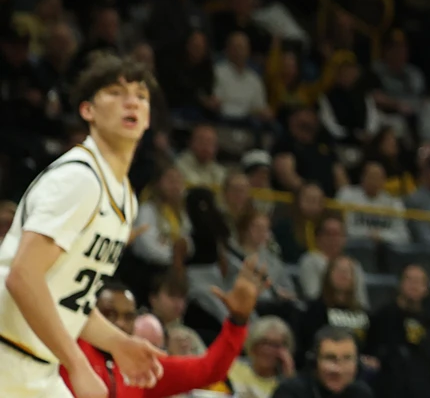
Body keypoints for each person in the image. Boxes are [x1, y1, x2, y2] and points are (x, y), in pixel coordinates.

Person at [0, 53, 168, 398]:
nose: (131, 101)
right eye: (116, 92)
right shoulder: (79, 178)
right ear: (87, 111)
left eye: (140, 95)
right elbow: (23, 276)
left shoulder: (125, 197)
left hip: (35, 369)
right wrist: (77, 363)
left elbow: (65, 297)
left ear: (149, 118)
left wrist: (118, 343)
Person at [80, 259, 262, 398]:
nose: (119, 323)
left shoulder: (143, 367)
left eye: (128, 317)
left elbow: (209, 369)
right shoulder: (67, 348)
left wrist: (237, 322)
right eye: (109, 314)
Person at [272, 325, 372, 398]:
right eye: (330, 358)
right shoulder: (290, 391)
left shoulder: (361, 393)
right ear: (314, 362)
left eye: (347, 359)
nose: (338, 369)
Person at [227, 316, 296, 398]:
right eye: (264, 343)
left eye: (275, 345)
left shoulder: (283, 384)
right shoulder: (232, 367)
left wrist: (289, 375)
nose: (268, 350)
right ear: (253, 343)